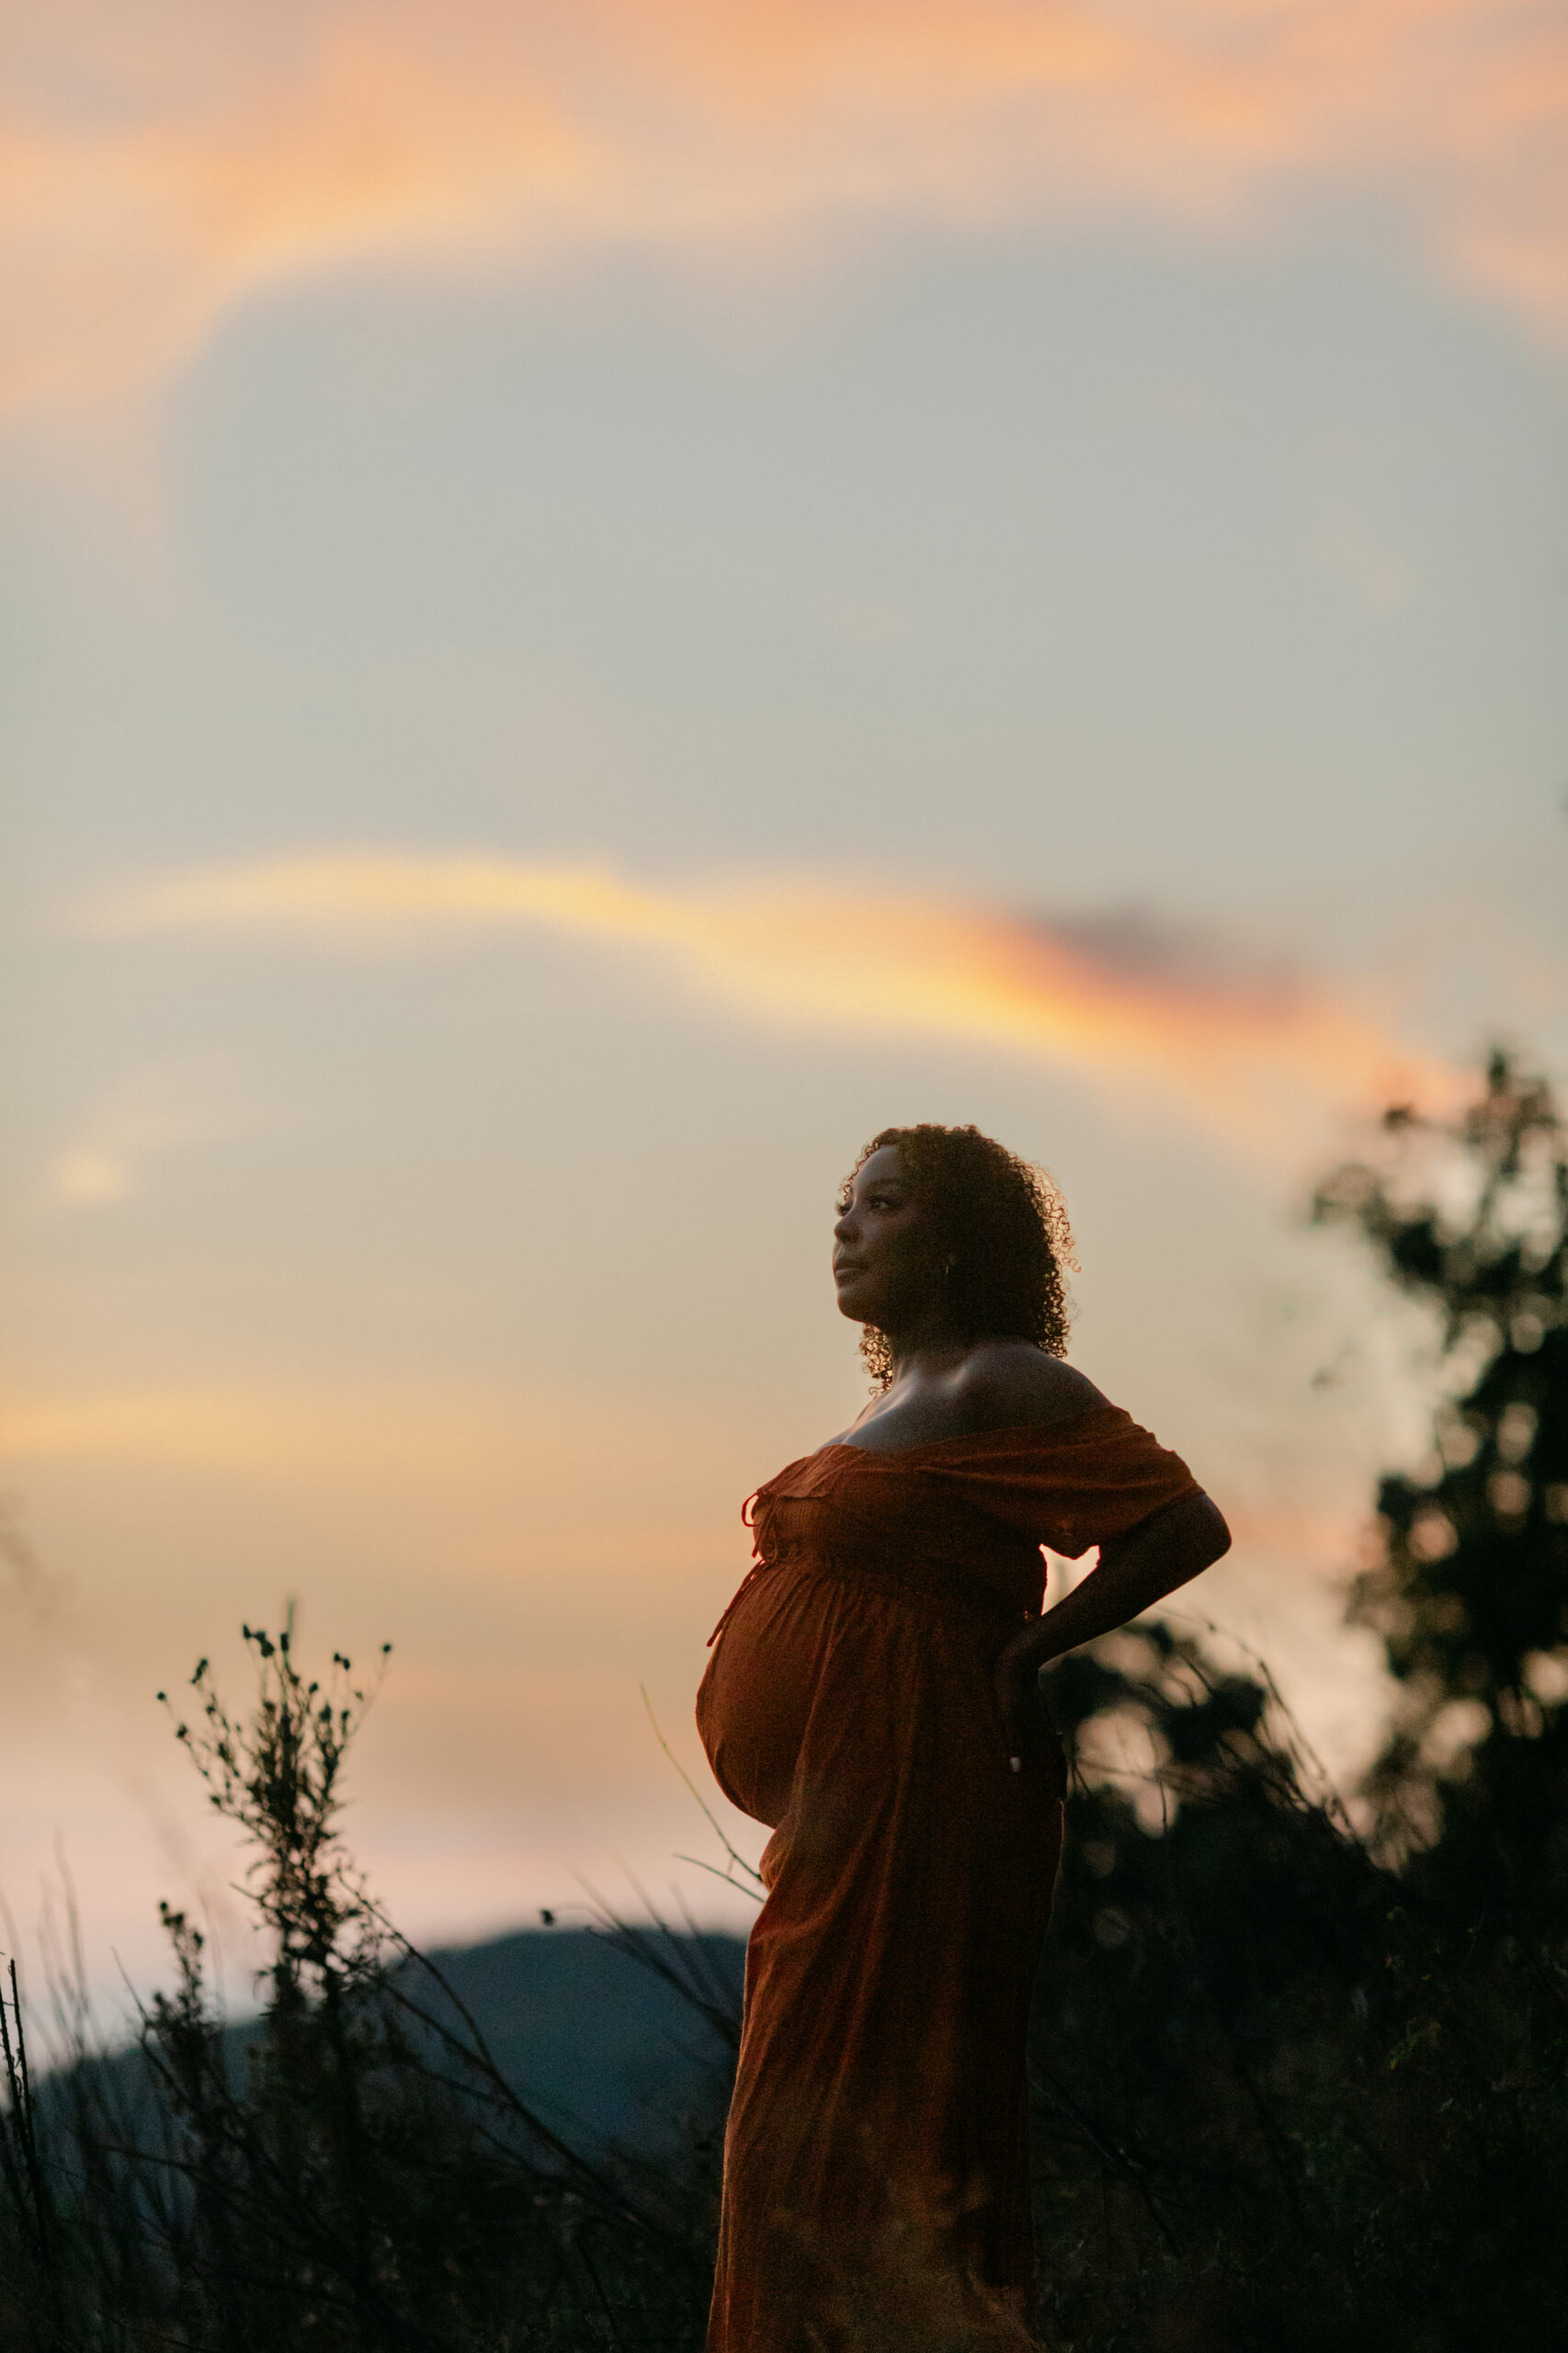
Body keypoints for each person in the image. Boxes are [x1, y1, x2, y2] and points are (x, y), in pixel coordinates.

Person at [696, 1124, 1230, 2353]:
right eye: (846, 1203)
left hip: (924, 1792)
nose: (846, 1226)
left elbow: (1181, 1523)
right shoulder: (897, 1402)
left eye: (882, 1205)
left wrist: (1026, 1651)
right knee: (786, 2140)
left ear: (954, 1246)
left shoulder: (1001, 1380)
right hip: (841, 1820)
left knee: (855, 2130)